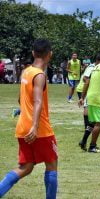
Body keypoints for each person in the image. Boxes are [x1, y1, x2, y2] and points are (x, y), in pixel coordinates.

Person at [0, 39, 58, 198]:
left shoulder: (26, 72)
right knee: (52, 164)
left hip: (22, 126)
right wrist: (35, 126)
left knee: (26, 167)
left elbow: (20, 99)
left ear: (33, 53)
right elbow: (38, 101)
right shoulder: (39, 75)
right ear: (49, 55)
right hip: (39, 129)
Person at [77, 62, 95, 151]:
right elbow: (85, 78)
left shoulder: (93, 67)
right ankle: (84, 139)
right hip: (85, 89)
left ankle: (85, 138)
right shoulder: (92, 67)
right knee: (94, 120)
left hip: (86, 89)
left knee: (89, 114)